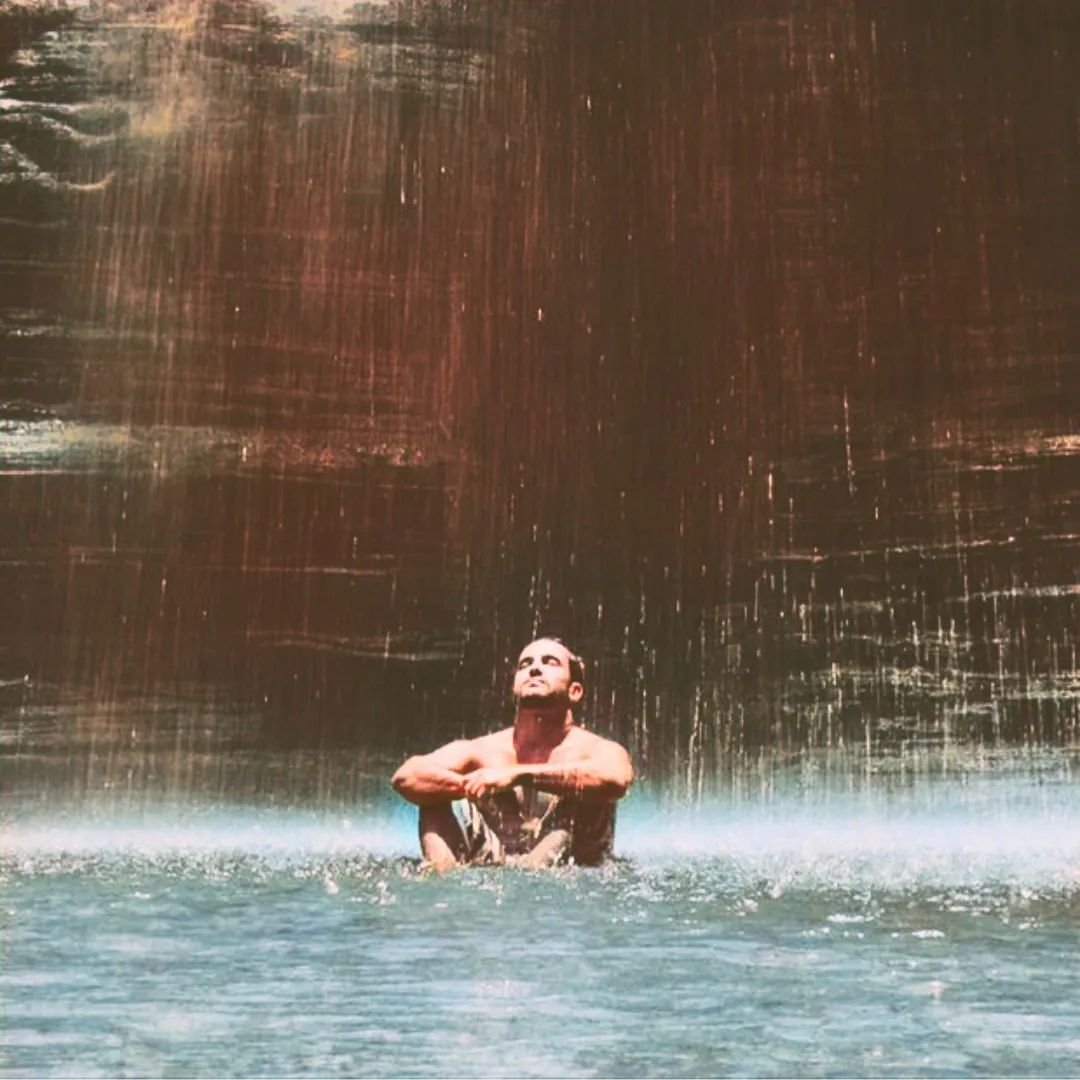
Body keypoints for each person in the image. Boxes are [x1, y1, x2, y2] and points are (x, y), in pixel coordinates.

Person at [392, 637, 633, 870]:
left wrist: (516, 776)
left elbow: (615, 779)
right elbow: (406, 776)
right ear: (514, 688)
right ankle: (443, 883)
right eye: (525, 664)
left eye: (550, 662)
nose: (534, 669)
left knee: (589, 792)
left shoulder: (594, 748)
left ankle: (535, 878)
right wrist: (474, 785)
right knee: (432, 793)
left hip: (568, 872)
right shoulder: (483, 749)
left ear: (575, 691)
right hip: (495, 866)